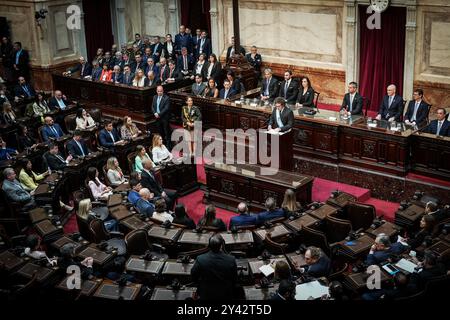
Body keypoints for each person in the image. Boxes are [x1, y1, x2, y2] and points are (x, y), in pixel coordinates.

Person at [191, 234, 237, 300]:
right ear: (221, 245)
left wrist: (200, 284)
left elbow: (194, 275)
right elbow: (234, 278)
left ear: (209, 245)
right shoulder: (231, 259)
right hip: (225, 294)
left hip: (206, 293)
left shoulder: (200, 259)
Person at [151, 85, 172, 149]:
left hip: (164, 118)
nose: (159, 92)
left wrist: (159, 114)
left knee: (166, 132)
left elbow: (166, 108)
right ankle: (162, 145)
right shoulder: (154, 97)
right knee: (160, 132)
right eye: (158, 91)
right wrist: (154, 113)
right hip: (157, 118)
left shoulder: (166, 98)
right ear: (156, 91)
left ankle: (169, 146)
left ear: (163, 91)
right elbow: (152, 106)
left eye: (161, 91)